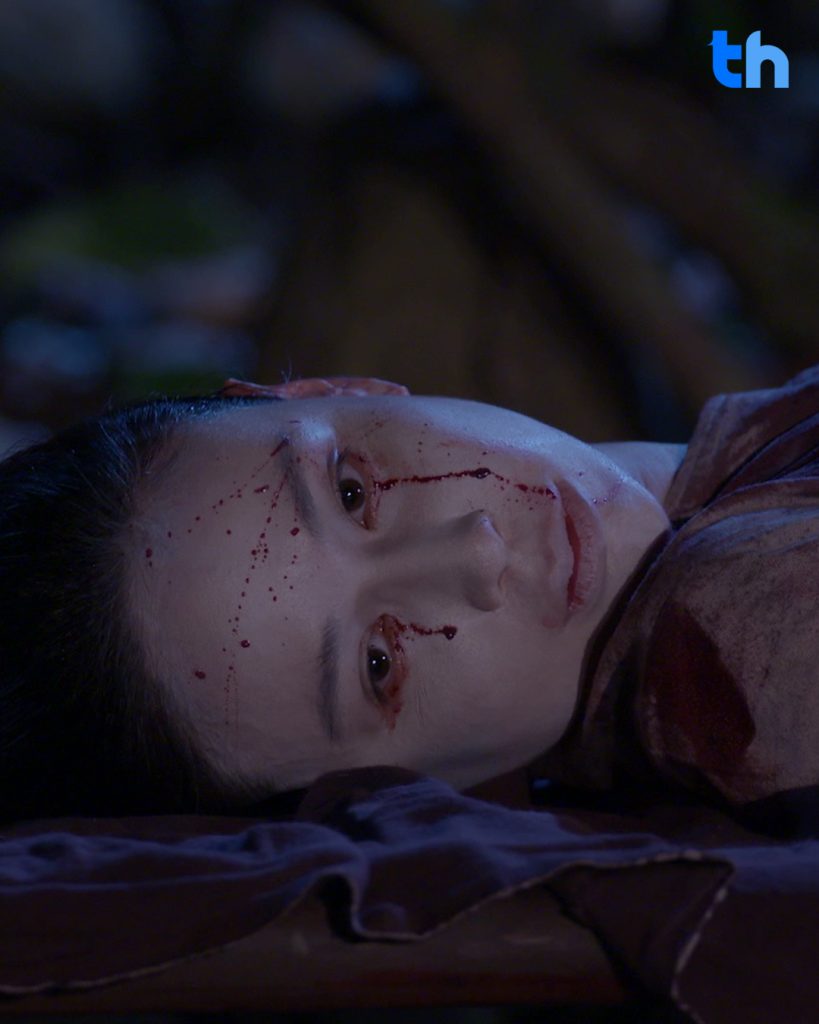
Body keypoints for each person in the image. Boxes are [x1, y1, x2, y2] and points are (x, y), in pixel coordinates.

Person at [2, 366, 818, 830]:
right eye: (378, 665)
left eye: (352, 491)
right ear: (394, 788)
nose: (477, 552)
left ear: (336, 386)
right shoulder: (753, 634)